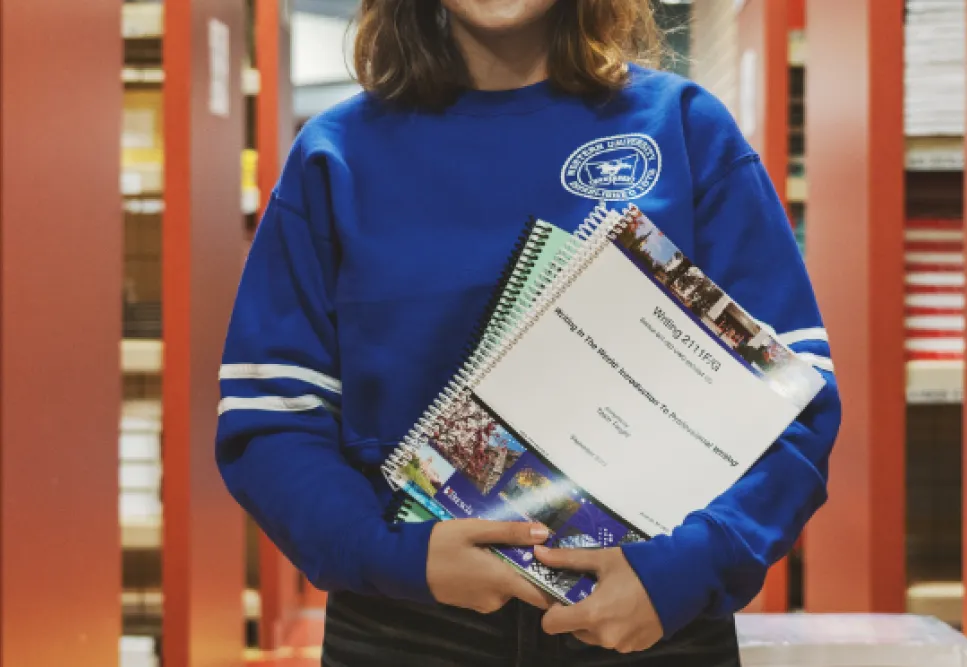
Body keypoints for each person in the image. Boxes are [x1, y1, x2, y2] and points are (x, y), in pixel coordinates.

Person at [215, 1, 842, 665]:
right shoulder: (335, 156)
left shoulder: (685, 130)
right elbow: (271, 418)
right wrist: (390, 554)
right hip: (406, 626)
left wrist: (686, 569)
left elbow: (793, 399)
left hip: (651, 623)